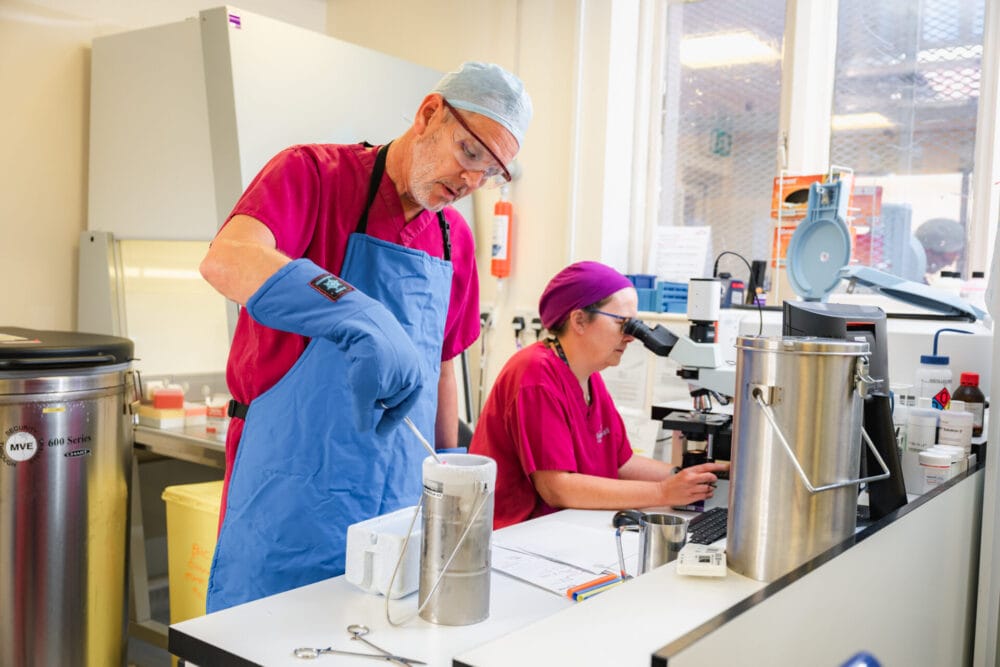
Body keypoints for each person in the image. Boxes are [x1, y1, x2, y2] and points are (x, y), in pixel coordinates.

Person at [199, 62, 532, 612]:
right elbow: (226, 260)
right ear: (429, 114)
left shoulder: (455, 241)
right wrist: (352, 308)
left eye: (492, 171)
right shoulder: (313, 175)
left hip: (397, 498)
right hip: (291, 488)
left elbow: (443, 368)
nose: (473, 180)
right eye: (471, 153)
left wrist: (447, 474)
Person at [469, 261, 728, 529]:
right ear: (579, 320)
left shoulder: (588, 377)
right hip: (515, 535)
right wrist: (663, 491)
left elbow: (621, 462)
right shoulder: (534, 374)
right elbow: (557, 488)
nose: (631, 338)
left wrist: (691, 479)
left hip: (566, 525)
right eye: (623, 324)